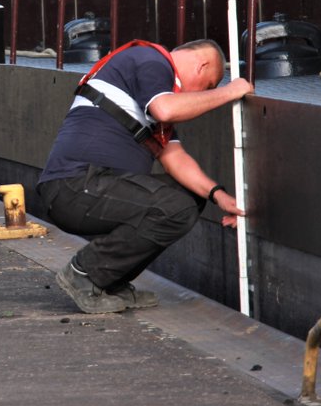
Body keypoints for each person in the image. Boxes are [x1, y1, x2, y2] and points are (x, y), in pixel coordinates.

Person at [36, 39, 253, 314]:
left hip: (94, 187)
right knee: (175, 208)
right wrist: (230, 92)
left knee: (188, 198)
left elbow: (175, 158)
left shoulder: (149, 94)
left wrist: (217, 195)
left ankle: (110, 281)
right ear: (202, 66)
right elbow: (166, 108)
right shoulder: (151, 61)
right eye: (209, 86)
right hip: (75, 186)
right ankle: (84, 274)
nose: (204, 94)